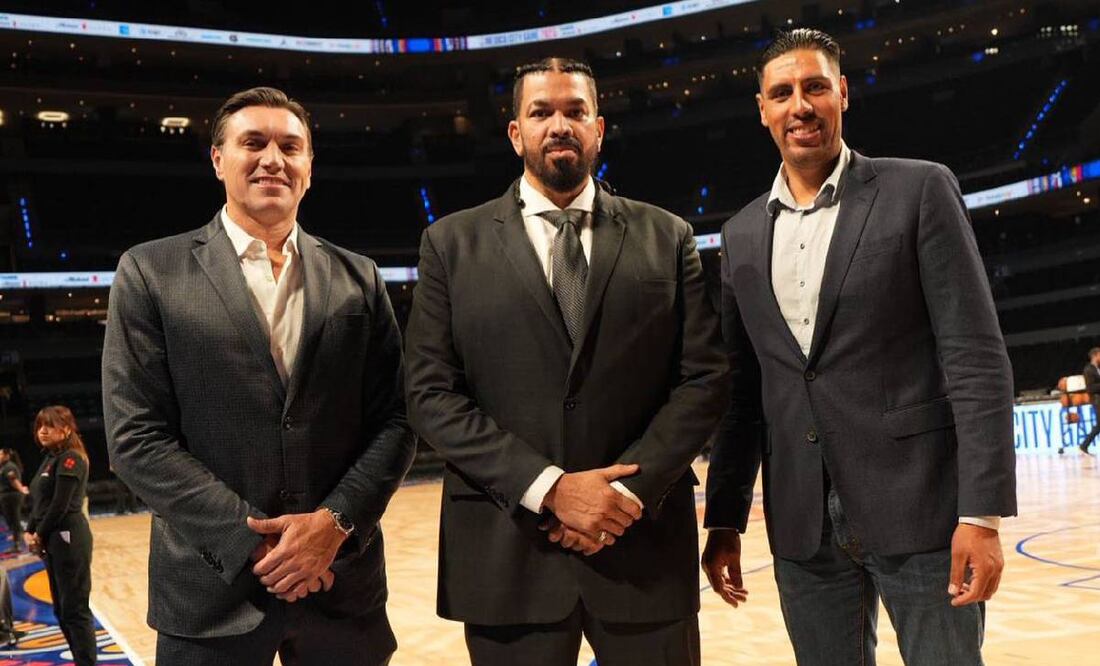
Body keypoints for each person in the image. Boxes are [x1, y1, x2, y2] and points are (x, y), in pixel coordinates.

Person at [702, 29, 1017, 666]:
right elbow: (744, 395)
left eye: (815, 87)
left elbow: (976, 358)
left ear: (842, 93)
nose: (800, 106)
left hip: (921, 508)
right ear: (762, 109)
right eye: (782, 93)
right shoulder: (738, 235)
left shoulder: (919, 190)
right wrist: (725, 518)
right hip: (802, 525)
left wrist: (982, 514)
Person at [405, 57, 729, 666]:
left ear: (598, 129)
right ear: (515, 133)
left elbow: (704, 379)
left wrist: (624, 496)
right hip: (508, 555)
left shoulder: (668, 236)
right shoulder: (450, 244)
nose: (560, 124)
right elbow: (430, 396)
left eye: (576, 111)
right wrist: (550, 489)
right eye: (541, 112)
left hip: (642, 549)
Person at [102, 86, 415, 665]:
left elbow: (396, 421)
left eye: (290, 147)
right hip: (210, 592)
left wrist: (333, 525)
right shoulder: (149, 271)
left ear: (309, 168)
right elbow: (135, 439)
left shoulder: (360, 277)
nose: (273, 158)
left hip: (341, 583)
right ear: (218, 159)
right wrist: (255, 542)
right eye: (253, 143)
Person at [26, 406, 96, 665]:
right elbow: (40, 501)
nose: (42, 431)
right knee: (62, 610)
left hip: (69, 538)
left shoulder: (71, 459)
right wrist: (30, 529)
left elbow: (60, 505)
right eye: (39, 426)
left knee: (74, 610)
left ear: (66, 429)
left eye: (49, 425)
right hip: (52, 538)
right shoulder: (50, 458)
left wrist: (38, 534)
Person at [0, 448, 28, 552]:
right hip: (6, 496)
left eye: (0, 454)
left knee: (14, 519)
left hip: (11, 496)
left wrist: (22, 489)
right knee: (11, 519)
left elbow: (13, 480)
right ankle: (17, 538)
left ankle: (18, 544)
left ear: (6, 456)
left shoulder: (9, 466)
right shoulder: (4, 467)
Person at [1076, 347, 1100, 454]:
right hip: (1097, 400)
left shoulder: (1097, 369)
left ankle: (1084, 445)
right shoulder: (1089, 370)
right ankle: (1084, 445)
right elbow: (1090, 388)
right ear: (1095, 356)